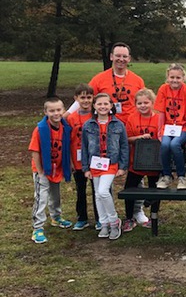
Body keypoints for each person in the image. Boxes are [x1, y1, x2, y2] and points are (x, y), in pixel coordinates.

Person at [81, 93, 128, 240]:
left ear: (111, 106)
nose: (103, 107)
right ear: (94, 106)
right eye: (99, 104)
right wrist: (86, 168)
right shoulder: (88, 125)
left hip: (111, 162)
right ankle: (104, 223)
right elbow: (84, 147)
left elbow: (124, 146)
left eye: (106, 104)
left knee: (103, 191)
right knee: (97, 194)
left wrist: (122, 165)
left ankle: (114, 221)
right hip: (95, 163)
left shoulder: (118, 124)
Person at [29, 97, 73, 244]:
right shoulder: (40, 129)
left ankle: (56, 217)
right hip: (42, 169)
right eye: (52, 110)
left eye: (58, 110)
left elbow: (67, 148)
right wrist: (40, 171)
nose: (56, 113)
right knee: (41, 197)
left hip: (57, 168)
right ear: (46, 112)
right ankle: (37, 228)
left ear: (64, 110)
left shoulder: (65, 128)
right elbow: (35, 151)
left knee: (56, 194)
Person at [65, 42, 145, 123]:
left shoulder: (138, 81)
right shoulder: (99, 79)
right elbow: (84, 97)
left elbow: (146, 102)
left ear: (129, 58)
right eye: (118, 56)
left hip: (132, 125)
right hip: (107, 124)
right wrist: (67, 114)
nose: (121, 59)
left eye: (124, 56)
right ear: (111, 57)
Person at [123, 88, 161, 232]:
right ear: (135, 104)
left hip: (154, 163)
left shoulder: (158, 118)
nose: (143, 105)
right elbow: (127, 138)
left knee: (155, 191)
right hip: (136, 162)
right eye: (139, 103)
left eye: (146, 102)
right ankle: (129, 218)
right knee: (129, 190)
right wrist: (139, 138)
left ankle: (153, 216)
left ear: (152, 103)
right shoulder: (132, 118)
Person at [155, 63, 186, 190]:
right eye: (172, 77)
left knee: (174, 144)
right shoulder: (163, 89)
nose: (175, 80)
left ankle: (182, 176)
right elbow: (161, 112)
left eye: (178, 78)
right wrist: (160, 131)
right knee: (165, 144)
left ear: (183, 78)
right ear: (167, 77)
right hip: (168, 127)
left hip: (183, 127)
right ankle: (166, 175)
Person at [66, 84, 99, 231]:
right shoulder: (71, 118)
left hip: (95, 159)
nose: (86, 101)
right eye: (82, 97)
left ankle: (100, 218)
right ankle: (82, 218)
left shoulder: (97, 115)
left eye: (89, 97)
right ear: (76, 99)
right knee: (80, 189)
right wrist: (71, 161)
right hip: (77, 159)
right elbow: (67, 140)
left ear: (93, 98)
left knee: (97, 190)